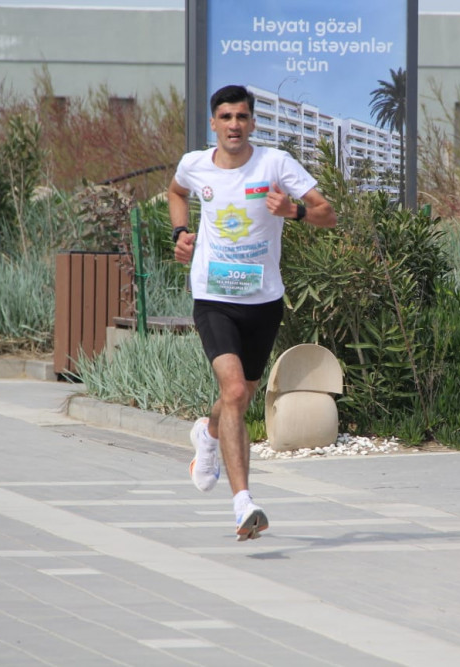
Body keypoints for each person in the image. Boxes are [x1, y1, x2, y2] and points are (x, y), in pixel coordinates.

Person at [167, 84, 337, 541]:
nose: (234, 125)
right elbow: (176, 192)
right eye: (226, 117)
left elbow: (328, 214)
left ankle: (207, 433)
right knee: (235, 390)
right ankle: (243, 502)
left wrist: (294, 211)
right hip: (213, 297)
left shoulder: (275, 164)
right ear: (213, 124)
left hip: (263, 302)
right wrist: (181, 233)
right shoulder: (195, 164)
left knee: (238, 399)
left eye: (242, 117)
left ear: (253, 122)